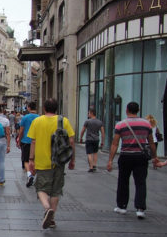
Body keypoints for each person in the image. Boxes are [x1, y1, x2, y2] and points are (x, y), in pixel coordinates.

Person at [27, 98, 76, 229]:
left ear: (44, 109)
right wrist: (72, 159)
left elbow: (33, 142)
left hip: (42, 161)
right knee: (56, 190)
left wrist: (31, 160)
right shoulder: (63, 121)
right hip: (59, 161)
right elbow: (71, 141)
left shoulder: (37, 121)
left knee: (41, 188)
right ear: (56, 108)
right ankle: (52, 218)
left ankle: (48, 209)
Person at [106, 101, 157, 219]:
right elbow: (151, 142)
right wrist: (154, 157)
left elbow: (115, 143)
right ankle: (140, 208)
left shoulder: (121, 125)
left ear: (126, 110)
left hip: (126, 156)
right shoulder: (146, 124)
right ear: (138, 110)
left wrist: (110, 160)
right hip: (141, 157)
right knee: (140, 182)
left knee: (123, 181)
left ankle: (122, 206)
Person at [17, 101, 39, 187]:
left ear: (29, 108)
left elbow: (21, 130)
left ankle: (29, 175)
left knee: (26, 160)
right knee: (35, 160)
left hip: (26, 141)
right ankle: (33, 175)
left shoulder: (25, 118)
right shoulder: (39, 117)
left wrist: (19, 140)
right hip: (37, 142)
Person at [79, 108, 105, 172]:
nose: (88, 114)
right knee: (95, 152)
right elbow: (103, 132)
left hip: (89, 139)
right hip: (96, 139)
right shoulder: (100, 122)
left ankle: (91, 167)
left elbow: (83, 130)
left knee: (89, 153)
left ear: (92, 113)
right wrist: (102, 141)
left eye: (89, 113)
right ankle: (94, 165)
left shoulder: (87, 121)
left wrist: (81, 138)